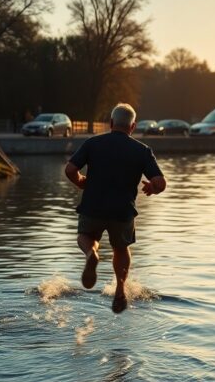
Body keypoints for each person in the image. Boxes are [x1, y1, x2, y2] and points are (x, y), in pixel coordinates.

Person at [64, 103, 167, 313]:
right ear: (133, 126)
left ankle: (91, 254)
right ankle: (120, 288)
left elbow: (70, 169)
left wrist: (81, 181)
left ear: (111, 123)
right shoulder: (142, 150)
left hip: (93, 205)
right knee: (121, 248)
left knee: (86, 236)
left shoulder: (93, 143)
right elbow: (160, 183)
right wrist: (152, 189)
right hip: (123, 211)